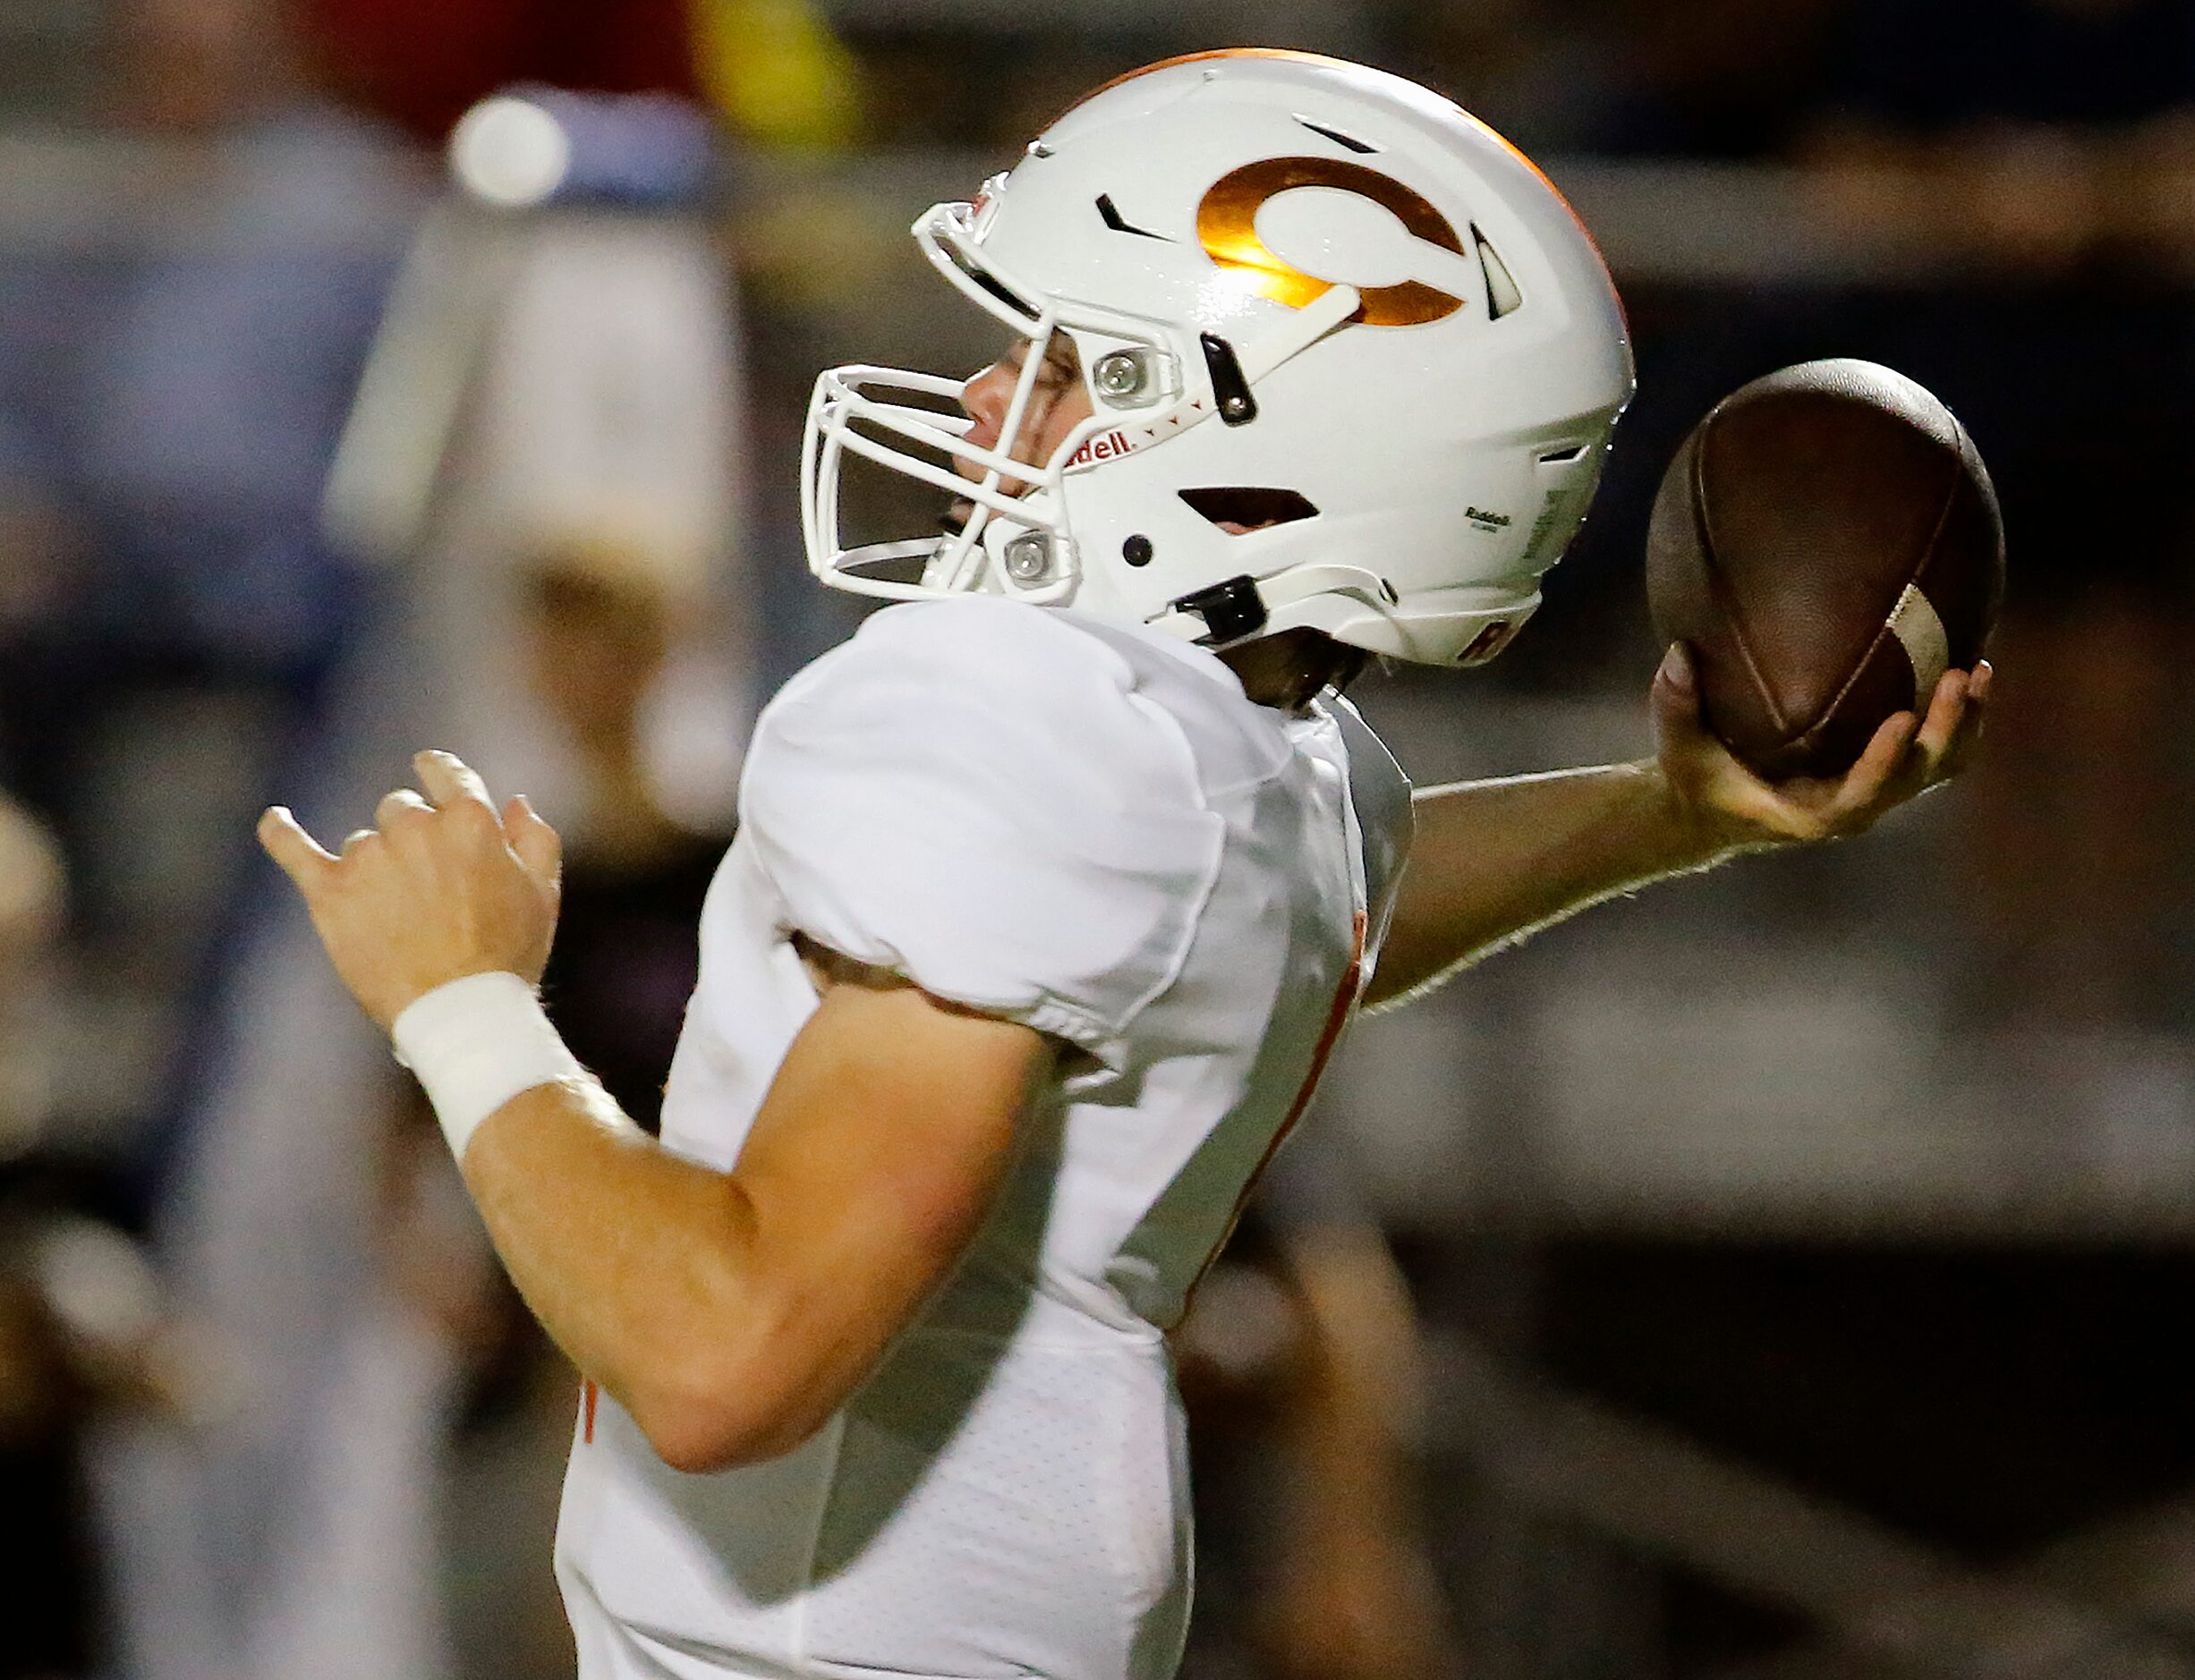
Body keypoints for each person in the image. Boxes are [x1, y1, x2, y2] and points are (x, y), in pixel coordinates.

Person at [258, 51, 1987, 1680]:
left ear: (1267, 461)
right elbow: (1328, 910)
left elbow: (730, 1357)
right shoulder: (1239, 742)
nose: (989, 391)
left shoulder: (1017, 716)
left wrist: (467, 1003)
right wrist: (1658, 809)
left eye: (1079, 364)